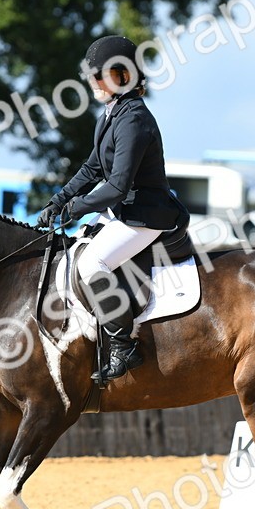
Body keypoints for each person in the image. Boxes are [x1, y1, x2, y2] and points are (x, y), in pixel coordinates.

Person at [37, 35, 185, 385]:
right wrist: (59, 199)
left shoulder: (134, 119)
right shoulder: (112, 114)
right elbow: (92, 168)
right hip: (124, 211)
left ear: (122, 76)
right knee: (76, 251)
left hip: (145, 215)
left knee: (92, 263)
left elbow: (117, 185)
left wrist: (75, 208)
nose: (93, 83)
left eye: (99, 76)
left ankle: (123, 345)